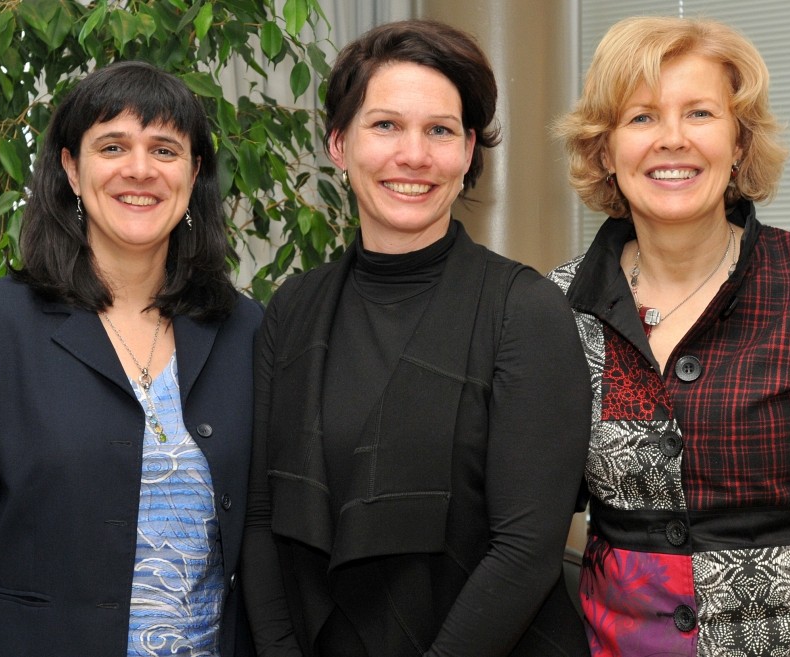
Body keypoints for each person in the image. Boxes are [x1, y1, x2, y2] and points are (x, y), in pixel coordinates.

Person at [548, 15, 790, 657]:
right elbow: (531, 509)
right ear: (605, 150)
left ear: (739, 142)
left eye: (701, 114)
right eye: (641, 118)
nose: (672, 140)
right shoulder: (555, 307)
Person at [241, 19, 591, 657]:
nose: (415, 155)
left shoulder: (526, 311)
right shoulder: (293, 308)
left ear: (467, 156)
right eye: (385, 125)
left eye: (440, 131)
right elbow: (262, 523)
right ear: (340, 146)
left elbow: (526, 552)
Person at [0, 61, 262, 656]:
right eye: (113, 145)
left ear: (194, 172)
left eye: (165, 149)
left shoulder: (243, 328)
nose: (140, 170)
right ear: (71, 168)